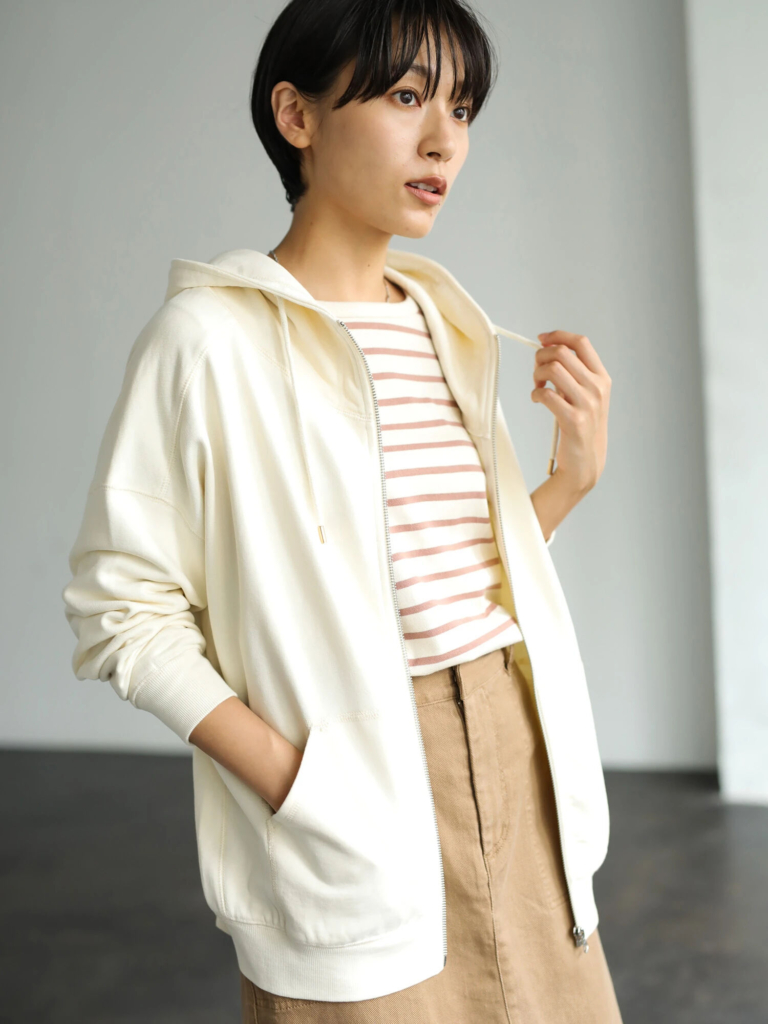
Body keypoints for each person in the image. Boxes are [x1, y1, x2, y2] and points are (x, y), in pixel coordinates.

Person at [62, 0, 622, 1020]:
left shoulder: (445, 327)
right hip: (349, 789)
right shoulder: (206, 340)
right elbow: (121, 610)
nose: (444, 140)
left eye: (462, 107)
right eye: (407, 97)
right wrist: (300, 783)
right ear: (297, 115)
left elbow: (437, 576)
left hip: (517, 755)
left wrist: (565, 485)